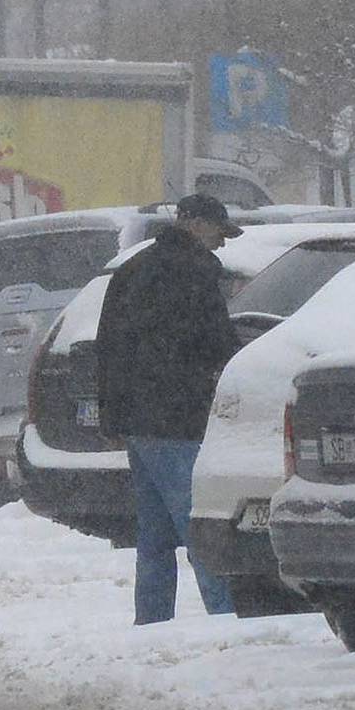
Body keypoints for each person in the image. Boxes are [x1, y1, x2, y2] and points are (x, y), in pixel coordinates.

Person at [95, 192, 243, 626]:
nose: (221, 243)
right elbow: (216, 343)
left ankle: (152, 621)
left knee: (155, 536)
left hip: (139, 419)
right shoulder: (196, 273)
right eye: (218, 232)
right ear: (195, 224)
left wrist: (112, 413)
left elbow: (109, 345)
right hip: (179, 414)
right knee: (199, 525)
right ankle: (224, 615)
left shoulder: (132, 269)